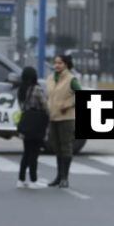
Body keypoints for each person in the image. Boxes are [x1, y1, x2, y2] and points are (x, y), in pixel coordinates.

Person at [45, 54, 81, 189]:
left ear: (66, 64)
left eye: (60, 63)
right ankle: (59, 176)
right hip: (53, 117)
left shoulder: (71, 79)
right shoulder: (50, 78)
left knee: (66, 147)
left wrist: (69, 104)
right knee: (56, 147)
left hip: (66, 118)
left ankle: (65, 177)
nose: (57, 65)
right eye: (55, 63)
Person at [15, 66, 49, 189]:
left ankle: (21, 179)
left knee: (26, 153)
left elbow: (22, 107)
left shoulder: (21, 90)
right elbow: (46, 106)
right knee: (34, 154)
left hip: (26, 124)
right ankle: (33, 180)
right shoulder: (37, 89)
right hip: (37, 125)